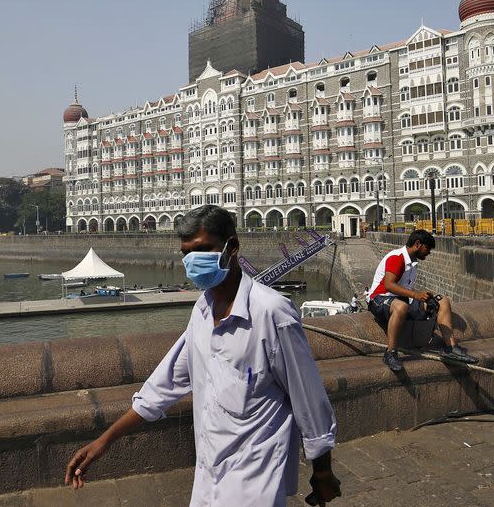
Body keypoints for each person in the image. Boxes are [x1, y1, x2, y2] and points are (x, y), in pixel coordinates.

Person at [65, 205, 341, 506]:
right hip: (208, 476)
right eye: (186, 253)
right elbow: (165, 384)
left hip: (255, 483)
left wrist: (322, 472)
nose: (192, 261)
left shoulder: (272, 312)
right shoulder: (202, 310)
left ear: (232, 247)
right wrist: (104, 441)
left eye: (203, 250)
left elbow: (309, 399)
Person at [366, 229, 478, 372]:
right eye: (428, 248)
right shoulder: (397, 257)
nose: (429, 252)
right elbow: (389, 285)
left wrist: (425, 299)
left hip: (401, 300)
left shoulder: (412, 263)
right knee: (400, 307)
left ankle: (450, 347)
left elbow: (405, 292)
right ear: (418, 244)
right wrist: (416, 295)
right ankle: (390, 353)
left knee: (442, 301)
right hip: (380, 299)